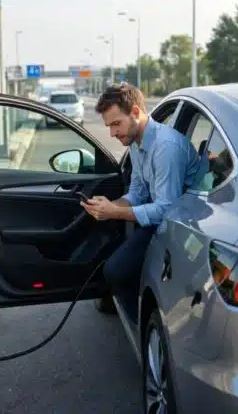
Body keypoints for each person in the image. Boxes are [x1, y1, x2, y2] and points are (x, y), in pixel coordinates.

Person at [81, 83, 206, 319]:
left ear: (136, 113)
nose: (112, 133)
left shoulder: (165, 147)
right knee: (109, 260)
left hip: (185, 225)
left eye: (116, 124)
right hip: (164, 216)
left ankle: (143, 328)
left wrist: (114, 213)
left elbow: (166, 209)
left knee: (117, 271)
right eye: (109, 126)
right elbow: (137, 191)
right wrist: (110, 206)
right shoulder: (136, 142)